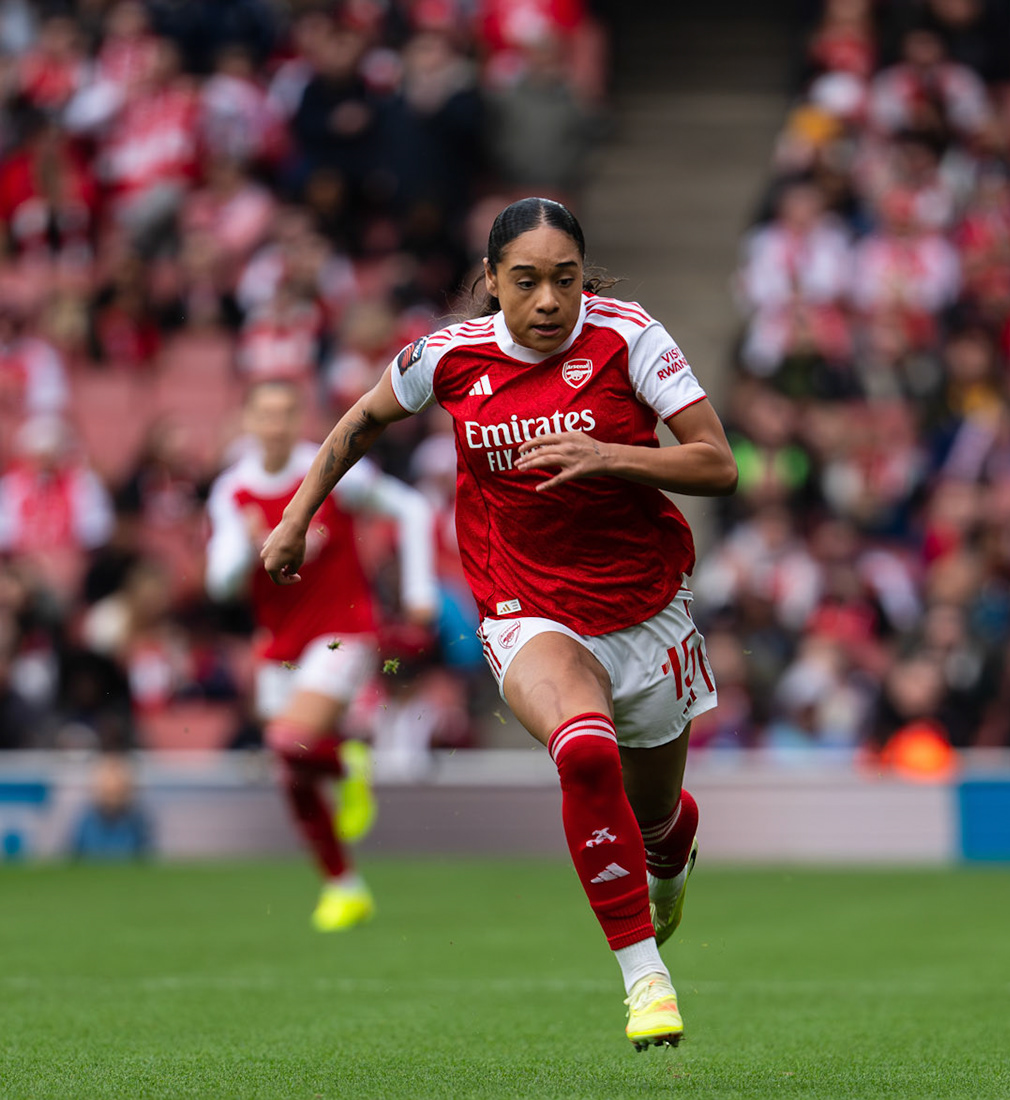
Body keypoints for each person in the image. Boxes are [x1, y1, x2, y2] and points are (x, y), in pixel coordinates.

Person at [260, 197, 735, 1051]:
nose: (550, 301)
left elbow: (717, 463)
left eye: (565, 280)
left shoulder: (630, 337)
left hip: (647, 607)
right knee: (584, 749)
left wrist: (614, 457)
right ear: (492, 283)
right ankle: (645, 982)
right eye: (527, 282)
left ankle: (667, 854)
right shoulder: (448, 357)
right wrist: (297, 515)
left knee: (656, 818)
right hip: (526, 606)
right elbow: (364, 418)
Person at [208, 379, 438, 932]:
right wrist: (247, 544)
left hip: (342, 631)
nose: (276, 424)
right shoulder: (233, 491)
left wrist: (420, 592)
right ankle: (343, 885)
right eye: (265, 414)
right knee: (290, 770)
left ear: (300, 418)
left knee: (290, 740)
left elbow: (410, 508)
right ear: (248, 421)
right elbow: (218, 584)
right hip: (279, 642)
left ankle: (348, 762)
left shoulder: (332, 468)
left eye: (287, 413)